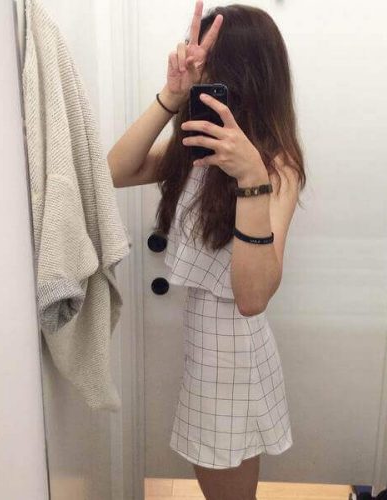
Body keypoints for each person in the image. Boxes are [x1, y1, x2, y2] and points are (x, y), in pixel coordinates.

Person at [108, 1, 306, 498]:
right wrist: (171, 96)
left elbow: (253, 297)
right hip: (208, 345)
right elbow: (114, 170)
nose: (203, 76)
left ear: (244, 75)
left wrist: (251, 177)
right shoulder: (196, 151)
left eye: (212, 66)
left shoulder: (275, 167)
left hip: (234, 352)